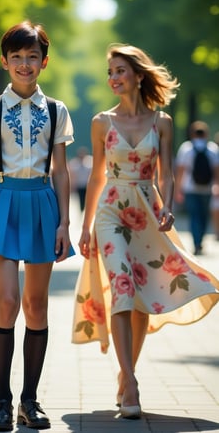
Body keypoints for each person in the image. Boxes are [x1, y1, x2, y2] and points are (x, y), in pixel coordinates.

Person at [71, 43, 219, 420]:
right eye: (111, 72)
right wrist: (84, 226)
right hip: (111, 212)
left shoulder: (162, 123)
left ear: (138, 75)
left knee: (138, 299)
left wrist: (168, 205)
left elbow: (166, 173)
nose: (114, 78)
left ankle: (126, 372)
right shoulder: (102, 121)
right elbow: (96, 178)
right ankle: (132, 383)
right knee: (121, 285)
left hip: (148, 212)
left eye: (120, 70)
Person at [0, 20, 74, 431]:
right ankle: (1, 401)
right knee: (7, 301)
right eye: (17, 57)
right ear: (5, 61)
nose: (25, 64)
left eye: (32, 57)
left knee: (36, 306)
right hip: (4, 203)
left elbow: (62, 172)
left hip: (42, 203)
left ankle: (30, 400)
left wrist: (65, 222)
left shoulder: (55, 110)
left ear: (44, 62)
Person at [175, 121, 219, 254]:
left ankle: (196, 242)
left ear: (192, 134)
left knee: (194, 216)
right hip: (207, 188)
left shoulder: (186, 148)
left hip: (190, 188)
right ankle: (201, 240)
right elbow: (216, 170)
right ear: (206, 134)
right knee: (204, 215)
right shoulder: (213, 149)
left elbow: (181, 170)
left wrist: (178, 189)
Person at [69, 146, 92, 212]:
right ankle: (81, 210)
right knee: (81, 199)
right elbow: (72, 176)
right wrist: (73, 185)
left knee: (88, 200)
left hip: (87, 185)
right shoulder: (74, 163)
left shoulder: (90, 162)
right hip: (79, 185)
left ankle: (87, 211)